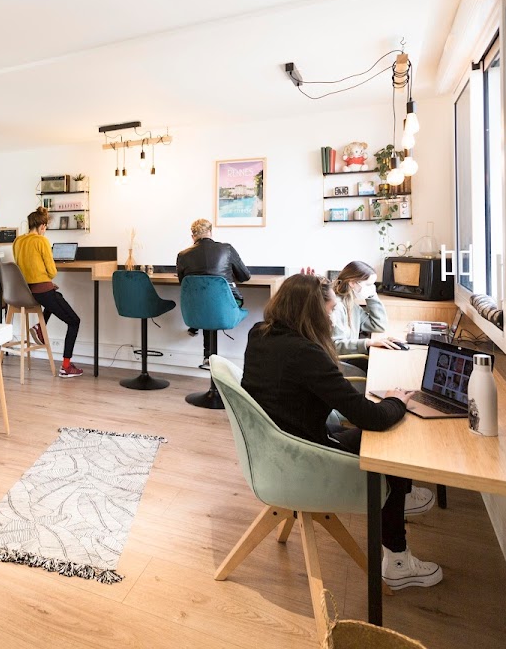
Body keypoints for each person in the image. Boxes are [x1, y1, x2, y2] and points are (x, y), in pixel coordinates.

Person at [240, 273, 442, 590]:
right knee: (388, 439)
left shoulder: (259, 334)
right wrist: (395, 401)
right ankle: (398, 558)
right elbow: (370, 417)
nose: (333, 317)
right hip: (306, 460)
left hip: (275, 450)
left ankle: (400, 494)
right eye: (331, 310)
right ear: (312, 312)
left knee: (380, 435)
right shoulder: (306, 354)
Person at [12, 206, 83, 378]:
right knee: (74, 321)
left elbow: (21, 267)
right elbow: (52, 272)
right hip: (42, 291)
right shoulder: (42, 241)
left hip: (25, 292)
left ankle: (39, 328)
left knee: (56, 295)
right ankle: (66, 366)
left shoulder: (17, 241)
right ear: (42, 226)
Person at [176, 218, 251, 369]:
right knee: (214, 302)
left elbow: (183, 283)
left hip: (197, 308)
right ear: (210, 232)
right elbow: (245, 276)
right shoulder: (227, 249)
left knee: (206, 303)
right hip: (224, 306)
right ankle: (210, 357)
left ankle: (207, 354)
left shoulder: (183, 255)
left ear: (193, 236)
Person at [331, 260, 401, 367]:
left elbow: (378, 325)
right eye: (368, 285)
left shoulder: (351, 305)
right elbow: (335, 346)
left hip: (349, 357)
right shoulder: (337, 307)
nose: (372, 288)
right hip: (340, 362)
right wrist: (368, 342)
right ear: (352, 283)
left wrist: (371, 296)